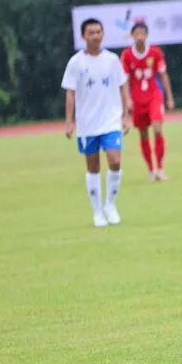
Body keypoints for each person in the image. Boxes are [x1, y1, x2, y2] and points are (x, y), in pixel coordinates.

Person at [62, 18, 132, 228]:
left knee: (115, 161)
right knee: (93, 167)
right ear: (83, 36)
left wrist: (126, 114)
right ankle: (97, 211)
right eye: (91, 32)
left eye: (99, 32)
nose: (95, 36)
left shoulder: (112, 59)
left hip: (110, 120)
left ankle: (110, 204)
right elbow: (70, 93)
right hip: (87, 124)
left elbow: (122, 85)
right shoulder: (76, 62)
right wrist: (69, 121)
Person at [120, 22, 175, 181]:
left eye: (142, 33)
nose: (140, 37)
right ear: (132, 36)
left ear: (147, 35)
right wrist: (127, 100)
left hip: (154, 95)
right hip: (137, 98)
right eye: (137, 34)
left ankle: (160, 168)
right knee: (143, 134)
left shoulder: (155, 52)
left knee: (157, 128)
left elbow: (163, 75)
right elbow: (124, 80)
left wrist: (169, 97)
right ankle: (151, 170)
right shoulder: (126, 55)